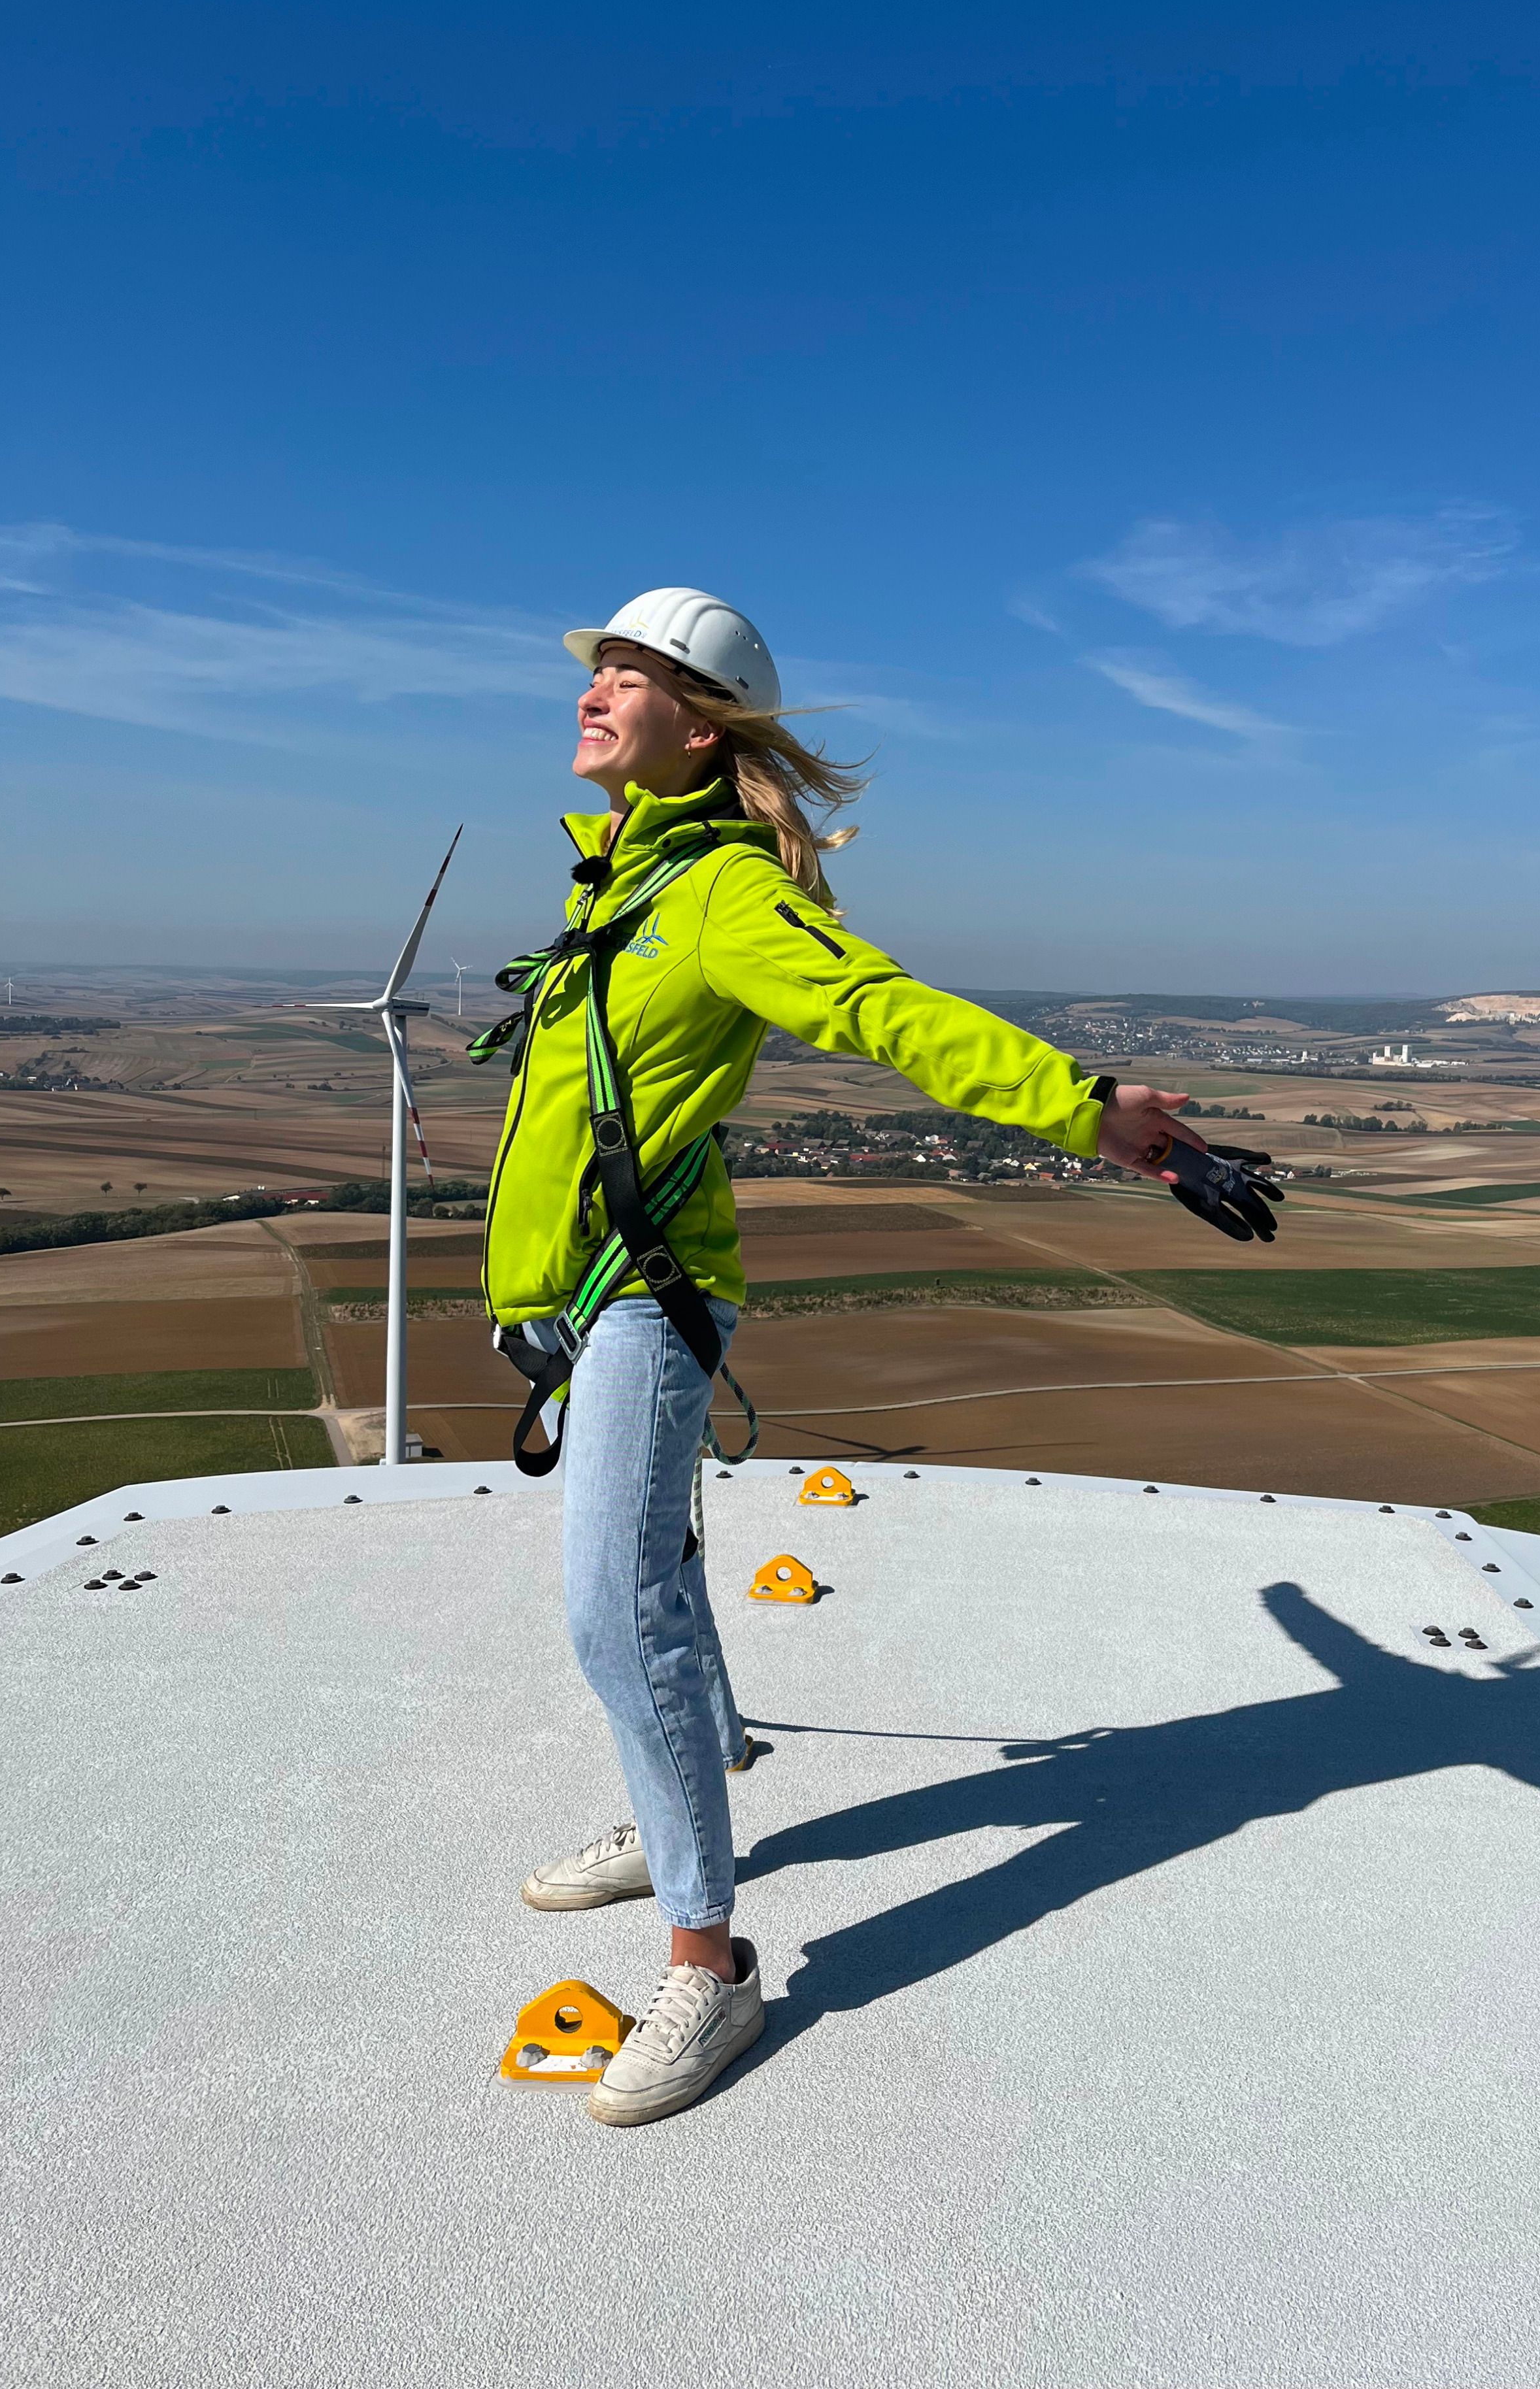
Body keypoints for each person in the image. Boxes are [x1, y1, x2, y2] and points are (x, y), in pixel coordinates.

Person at [478, 586, 1228, 2130]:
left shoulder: (722, 898)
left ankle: (710, 1959)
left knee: (613, 1607)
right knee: (659, 1590)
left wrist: (1083, 1103)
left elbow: (882, 1007)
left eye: (635, 672)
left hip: (647, 1298)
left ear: (704, 725)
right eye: (599, 665)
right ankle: (673, 1794)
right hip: (579, 1300)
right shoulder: (622, 879)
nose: (597, 687)